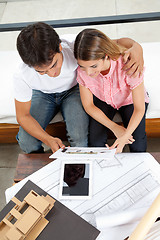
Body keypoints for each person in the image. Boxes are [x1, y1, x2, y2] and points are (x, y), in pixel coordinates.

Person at [13, 22, 145, 154]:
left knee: (79, 138)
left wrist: (137, 48)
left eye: (53, 65)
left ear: (60, 47)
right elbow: (23, 116)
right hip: (43, 95)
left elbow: (111, 43)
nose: (52, 74)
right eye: (42, 71)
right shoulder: (22, 74)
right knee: (27, 142)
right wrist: (48, 139)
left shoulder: (75, 44)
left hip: (73, 91)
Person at [74, 28, 149, 153]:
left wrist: (125, 135)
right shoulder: (82, 72)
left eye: (94, 66)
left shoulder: (128, 64)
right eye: (82, 66)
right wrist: (114, 127)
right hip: (104, 100)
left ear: (106, 56)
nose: (88, 72)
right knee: (95, 143)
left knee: (138, 146)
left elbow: (139, 109)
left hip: (129, 101)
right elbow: (89, 106)